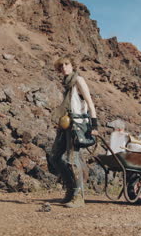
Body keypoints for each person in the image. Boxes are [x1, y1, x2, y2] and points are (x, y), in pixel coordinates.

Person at [49, 55, 98, 208]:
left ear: (72, 65)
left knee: (73, 159)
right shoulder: (67, 84)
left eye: (67, 64)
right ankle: (70, 190)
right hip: (66, 125)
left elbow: (90, 102)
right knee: (55, 157)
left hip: (77, 125)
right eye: (61, 65)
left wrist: (94, 125)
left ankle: (78, 197)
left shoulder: (78, 81)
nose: (64, 67)